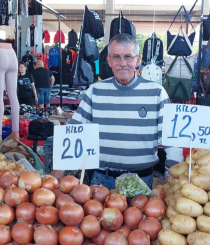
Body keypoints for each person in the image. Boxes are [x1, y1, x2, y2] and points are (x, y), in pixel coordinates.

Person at [64, 33, 183, 190]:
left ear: (137, 60)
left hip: (142, 180)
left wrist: (171, 176)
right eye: (116, 57)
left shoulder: (156, 92)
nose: (122, 63)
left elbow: (173, 142)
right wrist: (56, 176)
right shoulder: (95, 91)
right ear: (108, 61)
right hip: (102, 181)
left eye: (128, 57)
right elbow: (74, 132)